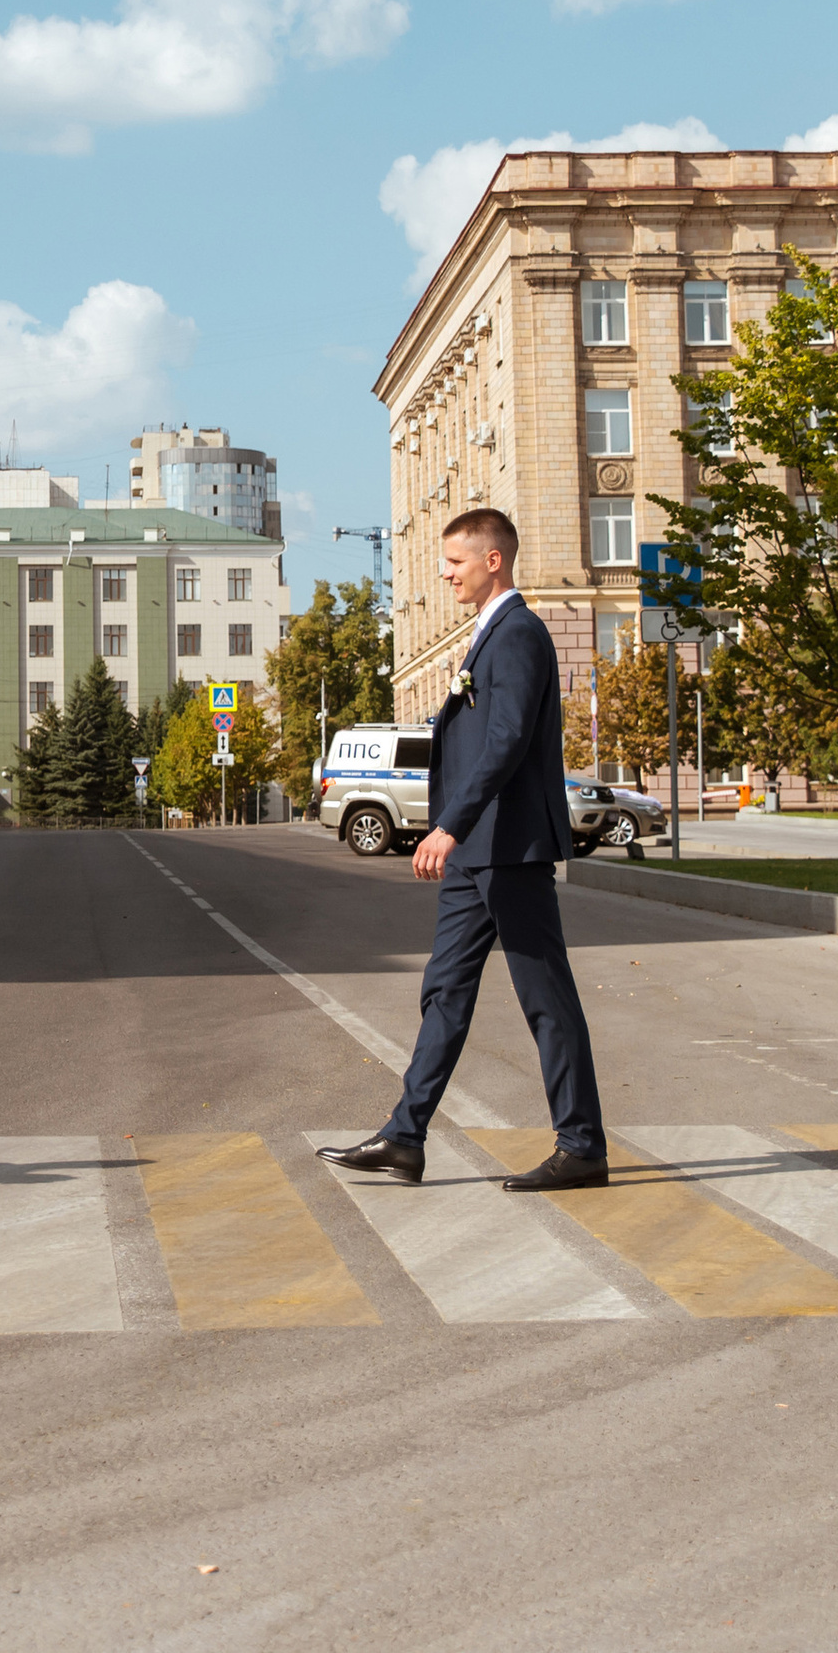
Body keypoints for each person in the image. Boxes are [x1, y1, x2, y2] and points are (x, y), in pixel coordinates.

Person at [318, 507, 608, 1194]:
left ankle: (582, 1145)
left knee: (546, 998)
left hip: (506, 846)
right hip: (476, 851)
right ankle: (404, 1138)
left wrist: (448, 824)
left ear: (492, 561)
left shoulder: (517, 634)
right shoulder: (489, 635)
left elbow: (505, 740)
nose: (444, 573)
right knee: (444, 992)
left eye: (454, 562)